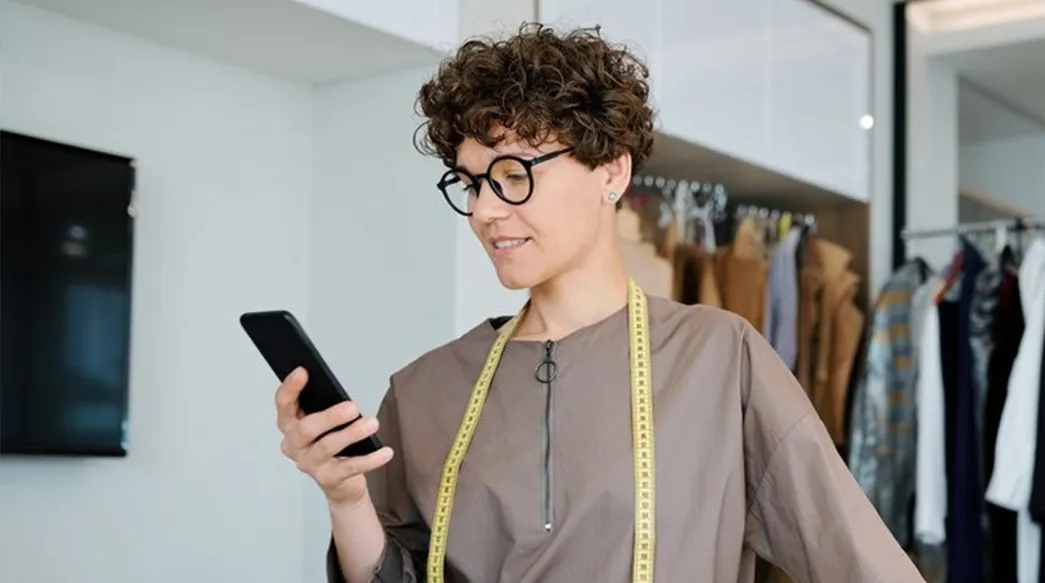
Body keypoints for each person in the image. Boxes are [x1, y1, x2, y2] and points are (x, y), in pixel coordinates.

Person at [271, 22, 922, 583]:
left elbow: (859, 561)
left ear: (612, 170)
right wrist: (347, 497)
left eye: (513, 173)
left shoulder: (721, 361)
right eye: (471, 182)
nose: (485, 211)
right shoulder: (423, 391)